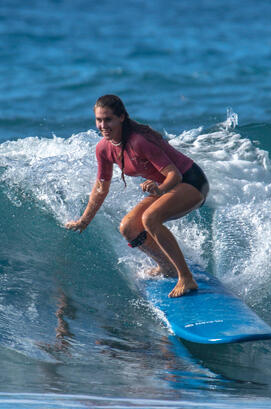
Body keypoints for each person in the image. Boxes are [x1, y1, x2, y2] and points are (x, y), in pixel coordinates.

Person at [65, 95, 210, 298]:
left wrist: (160, 190)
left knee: (150, 218)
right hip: (167, 188)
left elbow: (174, 175)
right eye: (99, 120)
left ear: (122, 117)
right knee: (128, 228)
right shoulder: (104, 149)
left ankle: (186, 278)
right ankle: (167, 267)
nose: (102, 125)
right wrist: (84, 220)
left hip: (191, 182)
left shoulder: (138, 142)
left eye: (108, 119)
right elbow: (100, 187)